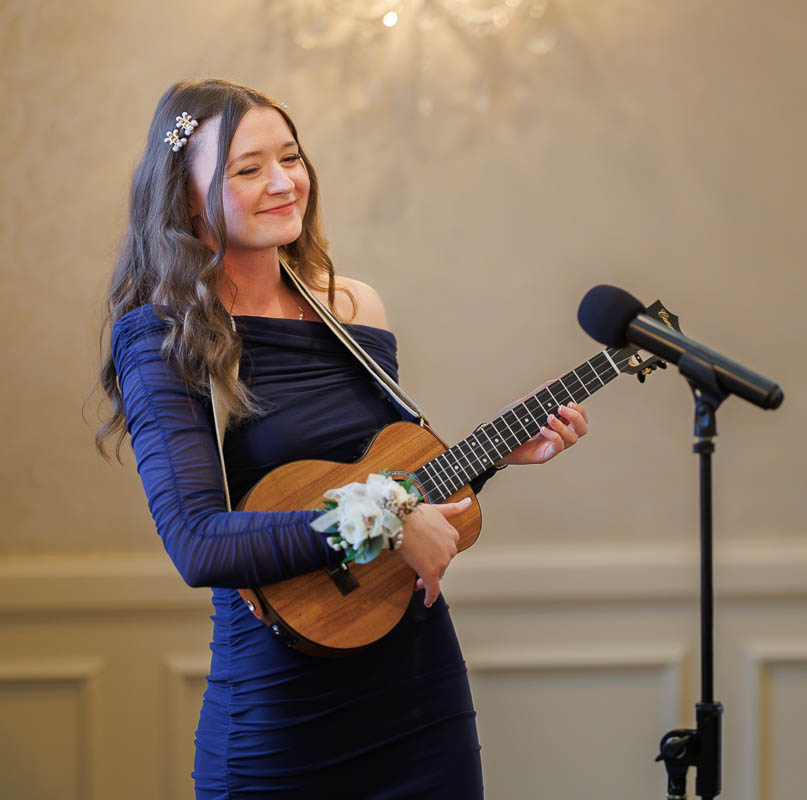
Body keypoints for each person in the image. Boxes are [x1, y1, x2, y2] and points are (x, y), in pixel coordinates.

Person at [95, 78, 589, 799]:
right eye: (247, 168)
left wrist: (491, 455)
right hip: (282, 714)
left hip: (420, 697)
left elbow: (390, 472)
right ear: (186, 195)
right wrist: (391, 518)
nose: (283, 182)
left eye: (290, 157)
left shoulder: (351, 305)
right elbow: (199, 543)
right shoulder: (164, 338)